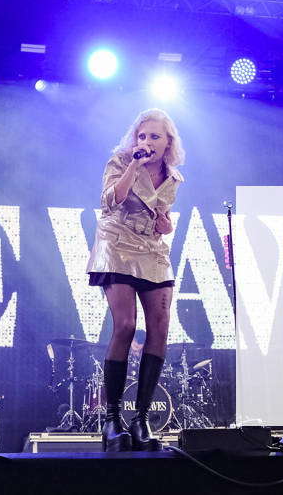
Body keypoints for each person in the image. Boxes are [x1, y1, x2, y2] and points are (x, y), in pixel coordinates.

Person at [87, 109, 184, 451]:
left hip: (152, 251)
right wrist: (133, 166)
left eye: (154, 137)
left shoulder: (173, 178)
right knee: (125, 326)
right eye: (141, 137)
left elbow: (162, 216)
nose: (146, 143)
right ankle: (113, 420)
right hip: (117, 244)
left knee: (160, 327)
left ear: (168, 142)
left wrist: (166, 225)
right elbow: (109, 201)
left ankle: (141, 420)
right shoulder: (120, 161)